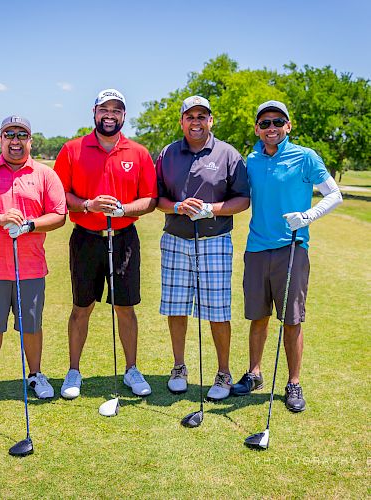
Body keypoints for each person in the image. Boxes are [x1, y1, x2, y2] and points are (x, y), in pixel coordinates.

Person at [232, 100, 343, 412]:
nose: (271, 128)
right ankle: (254, 374)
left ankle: (293, 382)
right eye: (265, 123)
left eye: (277, 122)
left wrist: (308, 216)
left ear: (288, 126)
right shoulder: (250, 161)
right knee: (257, 316)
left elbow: (334, 194)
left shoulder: (305, 157)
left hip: (291, 248)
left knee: (291, 320)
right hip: (256, 249)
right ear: (257, 128)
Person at [54, 88, 157, 399]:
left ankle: (131, 369)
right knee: (81, 307)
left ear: (123, 115)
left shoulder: (138, 153)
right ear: (94, 112)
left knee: (125, 308)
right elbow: (60, 195)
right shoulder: (73, 149)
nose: (109, 115)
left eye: (116, 110)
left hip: (124, 238)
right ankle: (74, 371)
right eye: (104, 109)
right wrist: (88, 205)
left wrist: (124, 209)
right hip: (86, 238)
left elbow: (150, 199)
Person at [0, 115, 66, 407]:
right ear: (1, 139)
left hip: (30, 266)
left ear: (31, 140)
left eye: (22, 135)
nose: (15, 141)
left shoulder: (45, 174)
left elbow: (59, 214)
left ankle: (35, 375)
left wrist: (30, 225)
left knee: (31, 326)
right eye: (10, 135)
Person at [156, 95, 250, 401]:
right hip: (175, 239)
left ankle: (223, 372)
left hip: (214, 240)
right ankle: (179, 367)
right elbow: (158, 200)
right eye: (190, 116)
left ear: (211, 120)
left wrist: (211, 208)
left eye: (202, 116)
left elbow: (242, 199)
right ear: (182, 121)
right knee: (176, 306)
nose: (196, 122)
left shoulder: (228, 154)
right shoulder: (168, 153)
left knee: (217, 311)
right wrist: (179, 206)